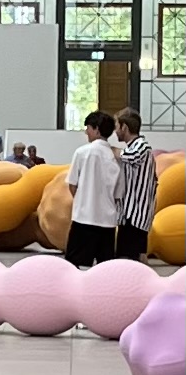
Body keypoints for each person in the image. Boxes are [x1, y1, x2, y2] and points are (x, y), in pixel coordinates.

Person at [65, 111, 121, 268]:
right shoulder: (115, 157)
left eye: (88, 128)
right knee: (105, 270)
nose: (86, 132)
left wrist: (83, 201)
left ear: (96, 129)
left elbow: (72, 184)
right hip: (108, 222)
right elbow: (118, 193)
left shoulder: (82, 152)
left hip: (84, 218)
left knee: (74, 267)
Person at [114, 107, 157, 262]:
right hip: (130, 215)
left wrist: (102, 146)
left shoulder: (141, 146)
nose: (115, 131)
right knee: (131, 257)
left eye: (117, 127)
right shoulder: (133, 146)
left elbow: (129, 156)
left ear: (124, 127)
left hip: (136, 215)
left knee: (129, 260)